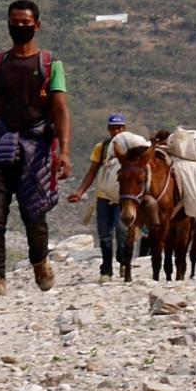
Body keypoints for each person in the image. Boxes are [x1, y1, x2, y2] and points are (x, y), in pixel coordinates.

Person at [0, 0, 70, 296]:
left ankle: (40, 261)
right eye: (15, 22)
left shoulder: (50, 65)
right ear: (8, 24)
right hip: (1, 144)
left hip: (37, 148)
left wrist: (64, 151)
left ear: (37, 26)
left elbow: (61, 110)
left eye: (25, 23)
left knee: (34, 214)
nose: (20, 27)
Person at [66, 111, 131, 278]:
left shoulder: (130, 149)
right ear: (108, 129)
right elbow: (92, 171)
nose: (116, 131)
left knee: (122, 231)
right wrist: (80, 192)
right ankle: (106, 270)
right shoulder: (101, 148)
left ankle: (123, 261)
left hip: (122, 199)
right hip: (103, 197)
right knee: (104, 235)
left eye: (119, 128)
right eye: (113, 128)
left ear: (124, 128)